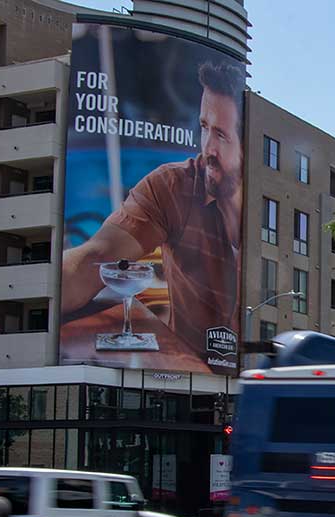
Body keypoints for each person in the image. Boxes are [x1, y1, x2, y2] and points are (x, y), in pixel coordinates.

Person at [62, 60, 245, 359]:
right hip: (181, 376)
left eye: (222, 135)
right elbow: (96, 257)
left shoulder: (266, 209)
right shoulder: (173, 185)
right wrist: (30, 291)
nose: (208, 147)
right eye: (204, 128)